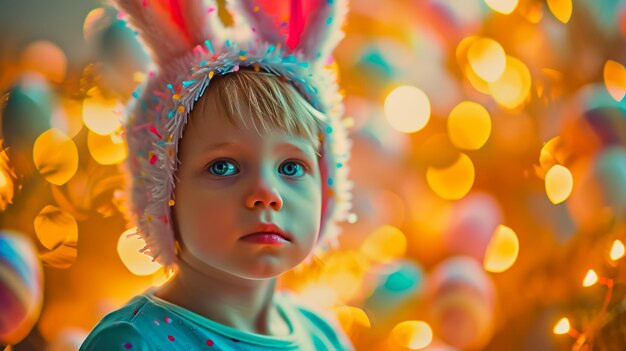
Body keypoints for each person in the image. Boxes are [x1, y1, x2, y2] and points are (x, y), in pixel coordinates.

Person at [80, 0, 354, 350]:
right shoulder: (134, 343)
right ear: (165, 191)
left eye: (291, 167)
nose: (267, 193)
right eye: (223, 166)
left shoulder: (324, 337)